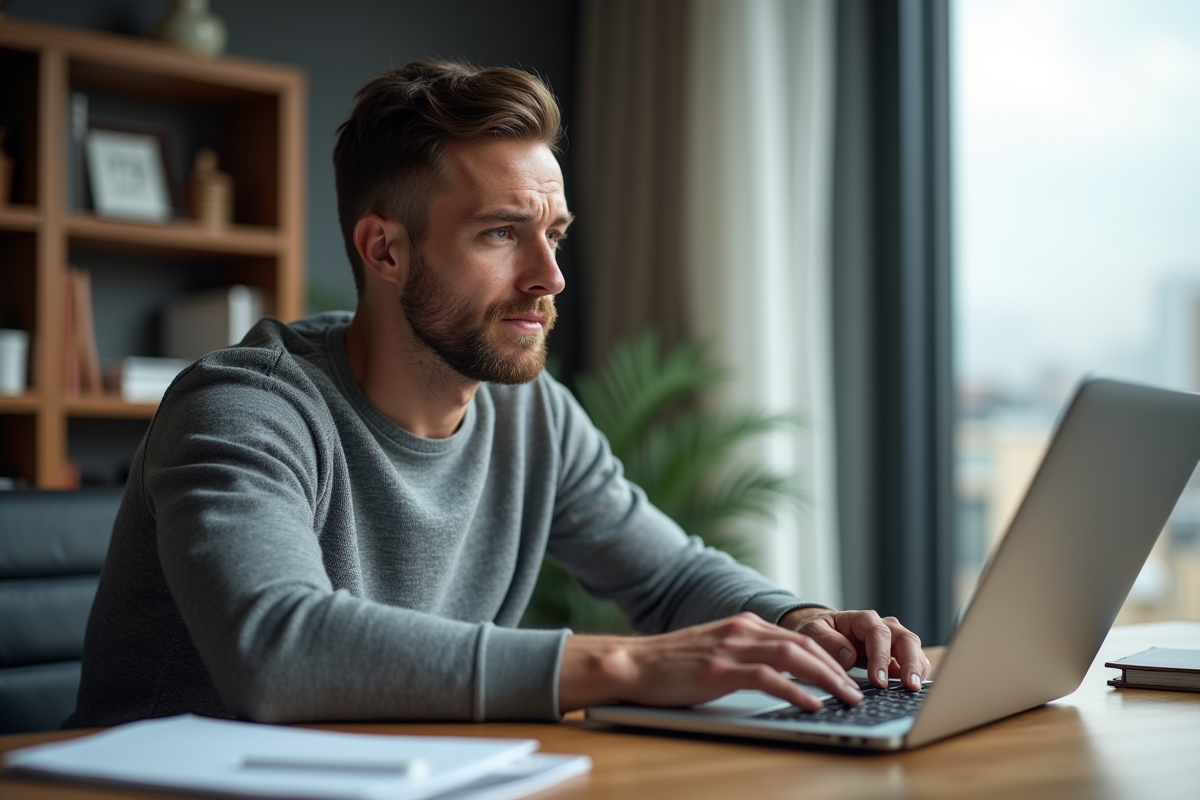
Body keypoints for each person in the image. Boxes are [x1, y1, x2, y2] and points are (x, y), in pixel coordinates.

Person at [68, 61, 928, 728]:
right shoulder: (243, 408)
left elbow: (667, 577)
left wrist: (801, 618)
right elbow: (276, 649)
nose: (549, 276)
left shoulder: (530, 412)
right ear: (385, 250)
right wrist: (629, 667)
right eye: (501, 234)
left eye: (552, 234)